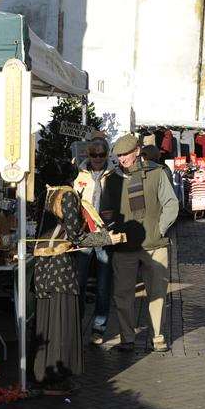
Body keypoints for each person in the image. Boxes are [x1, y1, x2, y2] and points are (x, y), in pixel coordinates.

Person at [33, 186, 124, 394]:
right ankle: (57, 378)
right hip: (61, 268)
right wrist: (107, 239)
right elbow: (76, 237)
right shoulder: (68, 195)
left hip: (43, 267)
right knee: (61, 322)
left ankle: (42, 373)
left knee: (46, 322)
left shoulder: (45, 194)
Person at [105, 134, 179, 353]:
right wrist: (110, 228)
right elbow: (106, 212)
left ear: (137, 151)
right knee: (122, 295)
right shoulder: (113, 179)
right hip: (125, 246)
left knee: (157, 293)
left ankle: (158, 337)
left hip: (155, 245)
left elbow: (171, 204)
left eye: (125, 154)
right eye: (118, 155)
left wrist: (160, 229)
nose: (122, 159)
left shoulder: (156, 173)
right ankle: (127, 338)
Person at [73, 137, 117, 345]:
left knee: (103, 285)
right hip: (85, 234)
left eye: (101, 154)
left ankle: (99, 329)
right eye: (94, 154)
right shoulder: (79, 175)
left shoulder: (115, 175)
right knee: (79, 283)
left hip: (106, 234)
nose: (98, 158)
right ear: (88, 155)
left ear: (107, 154)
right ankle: (77, 324)